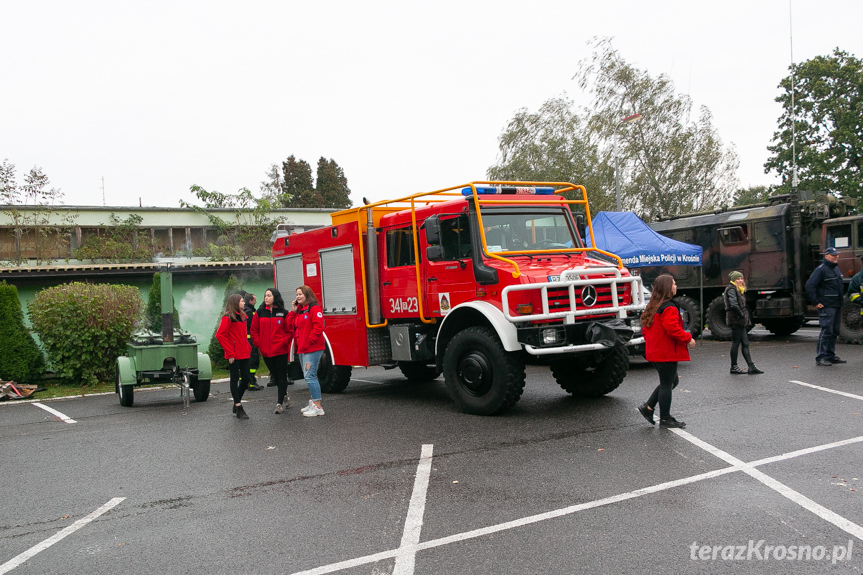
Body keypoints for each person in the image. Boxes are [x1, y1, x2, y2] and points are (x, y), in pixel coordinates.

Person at [637, 274, 695, 429]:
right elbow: (672, 329)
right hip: (665, 352)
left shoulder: (653, 306)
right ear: (667, 288)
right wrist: (688, 338)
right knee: (667, 383)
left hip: (655, 351)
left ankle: (648, 407)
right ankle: (665, 418)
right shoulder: (669, 307)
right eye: (674, 284)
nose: (676, 286)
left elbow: (645, 330)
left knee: (671, 381)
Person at [287, 285, 326, 417]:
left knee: (310, 376)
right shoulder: (300, 311)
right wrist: (293, 311)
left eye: (300, 294)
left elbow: (318, 327)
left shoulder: (314, 308)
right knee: (308, 376)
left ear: (307, 295)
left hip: (312, 348)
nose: (297, 296)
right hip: (303, 349)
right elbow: (288, 325)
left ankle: (317, 406)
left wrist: (309, 341)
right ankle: (314, 401)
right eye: (296, 294)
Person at [251, 288, 292, 414]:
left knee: (281, 376)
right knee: (274, 376)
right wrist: (259, 343)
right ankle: (284, 393)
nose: (266, 298)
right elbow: (254, 330)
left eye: (269, 295)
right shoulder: (259, 312)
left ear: (275, 297)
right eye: (265, 295)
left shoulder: (284, 313)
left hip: (280, 351)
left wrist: (283, 342)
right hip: (266, 351)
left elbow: (289, 331)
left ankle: (279, 403)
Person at [805, 247, 846, 366]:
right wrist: (815, 302)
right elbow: (810, 286)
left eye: (837, 255)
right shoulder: (821, 270)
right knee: (826, 330)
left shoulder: (835, 269)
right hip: (827, 305)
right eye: (833, 255)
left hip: (836, 305)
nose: (836, 256)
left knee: (834, 331)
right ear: (826, 256)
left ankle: (830, 355)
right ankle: (821, 356)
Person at [216, 293, 252, 419]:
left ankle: (237, 403)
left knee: (246, 378)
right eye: (242, 301)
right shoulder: (228, 317)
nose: (244, 303)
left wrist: (247, 346)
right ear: (235, 303)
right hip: (234, 355)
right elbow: (220, 335)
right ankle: (238, 406)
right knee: (234, 379)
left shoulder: (242, 315)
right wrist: (230, 352)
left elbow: (242, 335)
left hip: (244, 353)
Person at [724, 271, 763, 375]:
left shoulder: (738, 290)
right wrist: (741, 315)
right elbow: (733, 304)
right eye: (738, 279)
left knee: (745, 343)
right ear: (733, 280)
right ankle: (734, 367)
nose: (741, 281)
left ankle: (751, 366)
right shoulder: (731, 289)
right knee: (736, 343)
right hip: (736, 320)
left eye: (741, 278)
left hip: (740, 320)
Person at [240, 292, 264, 391]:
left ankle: (244, 382)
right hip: (250, 340)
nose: (256, 301)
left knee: (245, 361)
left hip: (246, 340)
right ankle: (251, 382)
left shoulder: (246, 310)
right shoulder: (249, 312)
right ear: (250, 301)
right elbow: (251, 325)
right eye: (254, 300)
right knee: (253, 360)